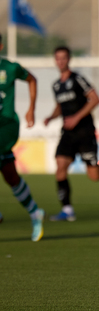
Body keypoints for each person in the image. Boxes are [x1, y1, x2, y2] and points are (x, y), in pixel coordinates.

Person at [45, 46, 99, 222]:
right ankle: (67, 210)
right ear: (55, 60)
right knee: (60, 169)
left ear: (69, 59)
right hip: (67, 134)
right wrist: (51, 117)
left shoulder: (78, 79)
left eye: (63, 58)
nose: (60, 61)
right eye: (57, 58)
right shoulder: (56, 85)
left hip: (84, 132)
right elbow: (60, 106)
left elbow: (95, 99)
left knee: (94, 176)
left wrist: (76, 117)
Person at [0, 34, 45, 241]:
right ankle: (35, 212)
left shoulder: (10, 68)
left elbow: (31, 79)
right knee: (11, 176)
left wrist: (31, 109)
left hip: (6, 127)